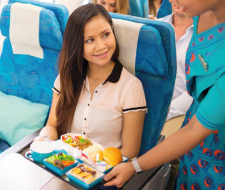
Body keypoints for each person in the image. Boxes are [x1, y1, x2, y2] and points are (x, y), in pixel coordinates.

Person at [103, 0, 225, 189]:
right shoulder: (199, 10)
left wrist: (134, 166)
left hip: (223, 158)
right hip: (192, 148)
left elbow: (194, 130)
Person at [35, 3, 147, 161]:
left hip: (102, 172)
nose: (101, 46)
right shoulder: (66, 77)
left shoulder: (131, 87)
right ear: (76, 45)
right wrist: (43, 140)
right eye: (89, 40)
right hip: (63, 163)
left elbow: (129, 153)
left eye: (106, 35)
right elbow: (52, 126)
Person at [158, 2, 193, 121]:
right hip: (147, 109)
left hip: (182, 116)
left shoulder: (204, 36)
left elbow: (197, 89)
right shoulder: (154, 28)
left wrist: (165, 113)